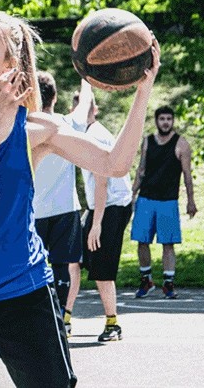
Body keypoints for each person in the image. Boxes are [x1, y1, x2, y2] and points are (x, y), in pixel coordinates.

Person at [0, 8, 160, 388]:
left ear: (10, 62)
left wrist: (143, 90)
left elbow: (114, 163)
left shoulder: (37, 129)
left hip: (23, 291)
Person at [33, 73, 92, 336]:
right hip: (65, 209)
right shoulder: (67, 124)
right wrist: (86, 76)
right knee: (62, 267)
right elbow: (85, 103)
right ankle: (61, 320)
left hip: (32, 212)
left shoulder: (23, 125)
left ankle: (35, 322)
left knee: (30, 267)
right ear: (55, 98)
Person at [79, 97, 133, 342]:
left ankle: (113, 324)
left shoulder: (95, 135)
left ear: (95, 111)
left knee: (103, 267)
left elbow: (102, 182)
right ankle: (65, 317)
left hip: (111, 207)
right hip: (101, 207)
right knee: (74, 259)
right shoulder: (85, 132)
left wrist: (96, 222)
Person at [131, 105, 197, 299]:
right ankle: (146, 280)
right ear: (157, 121)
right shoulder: (147, 142)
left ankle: (168, 283)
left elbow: (187, 175)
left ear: (173, 121)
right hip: (146, 199)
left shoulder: (181, 144)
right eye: (162, 119)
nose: (166, 122)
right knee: (142, 241)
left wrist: (191, 201)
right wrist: (132, 193)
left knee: (168, 243)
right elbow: (141, 170)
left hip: (168, 201)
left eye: (169, 119)